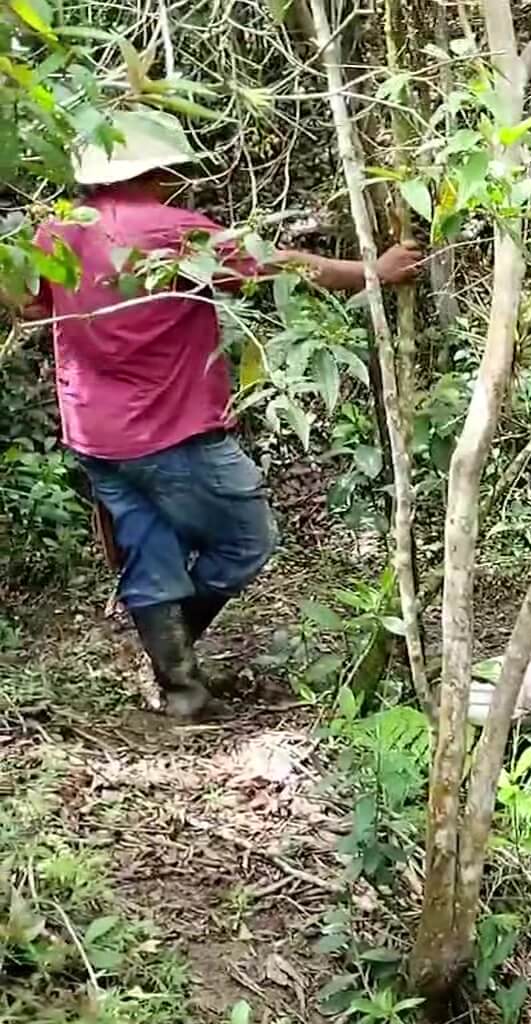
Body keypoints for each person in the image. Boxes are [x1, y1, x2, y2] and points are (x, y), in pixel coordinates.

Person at [1, 111, 421, 718]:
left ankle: (181, 689)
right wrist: (373, 275)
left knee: (149, 552)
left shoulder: (58, 233)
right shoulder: (175, 232)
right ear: (159, 171)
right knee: (246, 540)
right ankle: (173, 660)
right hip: (173, 434)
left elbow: (31, 308)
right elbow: (279, 266)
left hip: (97, 434)